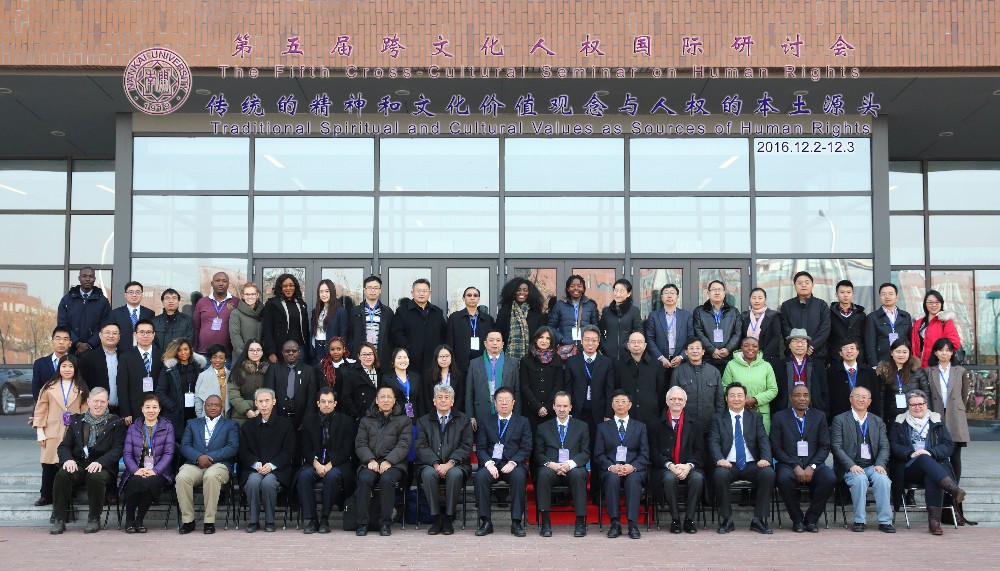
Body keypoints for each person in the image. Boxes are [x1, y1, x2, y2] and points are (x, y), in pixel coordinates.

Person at [888, 389, 968, 535]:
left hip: (934, 467)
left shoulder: (936, 421)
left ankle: (934, 524)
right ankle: (953, 489)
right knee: (923, 458)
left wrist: (932, 452)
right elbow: (893, 446)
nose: (917, 407)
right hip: (909, 468)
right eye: (913, 405)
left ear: (926, 404)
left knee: (932, 475)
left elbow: (948, 445)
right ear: (908, 406)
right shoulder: (899, 422)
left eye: (920, 404)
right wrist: (910, 453)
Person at [49, 387, 126, 535]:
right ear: (88, 402)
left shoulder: (116, 423)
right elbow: (64, 446)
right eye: (96, 401)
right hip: (78, 464)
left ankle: (94, 519)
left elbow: (118, 449)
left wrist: (101, 462)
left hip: (103, 466)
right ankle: (59, 519)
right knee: (63, 474)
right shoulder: (77, 421)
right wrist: (68, 460)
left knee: (95, 476)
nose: (99, 405)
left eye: (102, 401)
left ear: (107, 403)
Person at [709, 381, 775, 534]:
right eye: (732, 395)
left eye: (740, 395)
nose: (736, 399)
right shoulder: (718, 418)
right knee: (720, 474)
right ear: (726, 399)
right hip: (728, 464)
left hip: (752, 464)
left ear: (745, 398)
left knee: (768, 473)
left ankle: (759, 520)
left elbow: (763, 439)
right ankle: (727, 520)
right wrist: (719, 459)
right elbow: (713, 441)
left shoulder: (755, 417)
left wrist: (765, 458)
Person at [770, 385, 836, 533]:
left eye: (805, 395)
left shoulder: (819, 416)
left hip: (814, 464)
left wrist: (812, 466)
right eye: (798, 395)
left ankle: (812, 519)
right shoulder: (779, 417)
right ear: (791, 398)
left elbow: (825, 446)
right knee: (783, 478)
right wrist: (795, 466)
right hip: (788, 464)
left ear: (810, 398)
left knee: (829, 478)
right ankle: (797, 519)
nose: (802, 398)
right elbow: (775, 447)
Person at [830, 386, 895, 533]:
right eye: (857, 396)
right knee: (860, 479)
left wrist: (880, 464)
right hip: (850, 466)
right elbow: (836, 446)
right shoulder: (840, 420)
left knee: (883, 480)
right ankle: (859, 520)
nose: (861, 399)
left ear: (869, 401)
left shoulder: (877, 421)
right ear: (851, 399)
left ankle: (885, 521)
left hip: (872, 466)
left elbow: (885, 446)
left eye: (864, 397)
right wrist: (851, 465)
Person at [925, 337, 975, 525]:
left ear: (953, 352)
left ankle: (954, 497)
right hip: (936, 415)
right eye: (941, 350)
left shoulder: (960, 371)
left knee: (955, 457)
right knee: (938, 455)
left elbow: (964, 395)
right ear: (935, 352)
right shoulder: (928, 371)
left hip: (955, 416)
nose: (944, 353)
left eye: (948, 350)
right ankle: (944, 497)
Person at [415, 383, 473, 535]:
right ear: (434, 401)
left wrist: (449, 463)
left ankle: (448, 518)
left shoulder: (463, 420)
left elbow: (466, 446)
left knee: (454, 474)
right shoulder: (423, 421)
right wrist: (435, 463)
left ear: (452, 401)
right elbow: (421, 446)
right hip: (430, 464)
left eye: (447, 397)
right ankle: (436, 518)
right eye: (439, 397)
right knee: (428, 474)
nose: (443, 400)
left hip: (456, 464)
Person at [176, 394, 239, 534]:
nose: (213, 408)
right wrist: (198, 457)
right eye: (209, 405)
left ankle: (209, 521)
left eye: (216, 405)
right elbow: (184, 446)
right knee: (182, 477)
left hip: (219, 465)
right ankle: (188, 521)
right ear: (204, 407)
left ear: (222, 407)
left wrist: (209, 458)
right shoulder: (192, 423)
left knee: (211, 476)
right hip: (195, 464)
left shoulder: (230, 424)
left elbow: (232, 447)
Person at [33, 355, 89, 511]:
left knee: (68, 462)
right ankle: (46, 495)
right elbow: (40, 411)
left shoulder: (82, 388)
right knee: (48, 464)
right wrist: (40, 432)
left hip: (73, 431)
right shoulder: (48, 387)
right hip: (52, 429)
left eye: (71, 366)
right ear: (59, 368)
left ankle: (68, 494)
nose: (67, 369)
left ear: (75, 369)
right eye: (64, 366)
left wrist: (84, 434)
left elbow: (85, 413)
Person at [354, 386, 412, 536]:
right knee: (364, 479)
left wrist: (389, 461)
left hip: (395, 464)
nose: (386, 400)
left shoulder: (404, 420)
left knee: (387, 480)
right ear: (376, 400)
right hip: (370, 462)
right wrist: (370, 459)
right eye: (382, 397)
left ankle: (385, 523)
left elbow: (404, 445)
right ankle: (362, 523)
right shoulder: (366, 420)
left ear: (394, 400)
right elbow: (360, 444)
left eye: (389, 397)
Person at [473, 387, 531, 537]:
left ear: (513, 402)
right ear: (495, 403)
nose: (504, 403)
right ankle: (486, 522)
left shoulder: (523, 422)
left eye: (507, 400)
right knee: (480, 477)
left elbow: (526, 448)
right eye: (500, 400)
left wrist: (513, 462)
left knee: (519, 477)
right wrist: (488, 463)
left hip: (514, 464)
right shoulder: (486, 421)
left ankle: (516, 522)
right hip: (492, 464)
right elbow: (481, 448)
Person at [297, 387, 356, 534]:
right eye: (323, 401)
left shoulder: (346, 421)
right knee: (304, 476)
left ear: (335, 403)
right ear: (318, 403)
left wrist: (329, 465)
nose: (326, 405)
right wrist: (316, 464)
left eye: (330, 402)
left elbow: (347, 449)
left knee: (332, 477)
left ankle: (324, 518)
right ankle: (312, 520)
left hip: (337, 464)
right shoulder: (309, 421)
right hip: (314, 463)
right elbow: (305, 447)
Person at [238, 388, 296, 533]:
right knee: (253, 482)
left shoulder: (285, 424)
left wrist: (272, 465)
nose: (264, 405)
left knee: (268, 483)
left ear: (274, 402)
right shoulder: (248, 426)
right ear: (255, 403)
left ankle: (270, 521)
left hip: (277, 470)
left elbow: (289, 450)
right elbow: (244, 451)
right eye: (261, 401)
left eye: (267, 401)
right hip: (254, 469)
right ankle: (253, 521)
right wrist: (256, 464)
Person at [533, 391, 590, 537]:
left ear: (570, 407)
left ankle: (580, 522)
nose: (562, 409)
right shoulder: (543, 427)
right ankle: (545, 522)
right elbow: (538, 454)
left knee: (578, 475)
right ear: (553, 407)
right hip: (552, 468)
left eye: (565, 406)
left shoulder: (582, 426)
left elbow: (585, 453)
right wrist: (551, 464)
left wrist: (570, 464)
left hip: (573, 468)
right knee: (543, 474)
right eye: (559, 406)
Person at [649, 386, 704, 534]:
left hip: (688, 466)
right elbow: (653, 452)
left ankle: (689, 520)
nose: (676, 402)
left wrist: (688, 466)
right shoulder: (655, 424)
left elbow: (700, 451)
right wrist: (670, 465)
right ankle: (675, 520)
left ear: (685, 402)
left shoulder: (695, 424)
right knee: (669, 478)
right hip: (665, 467)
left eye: (680, 399)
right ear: (667, 401)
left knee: (697, 478)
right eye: (673, 399)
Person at [595, 389, 649, 539]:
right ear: (612, 405)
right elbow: (599, 454)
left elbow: (644, 454)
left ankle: (632, 524)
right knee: (612, 479)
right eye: (617, 402)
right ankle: (615, 523)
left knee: (633, 480)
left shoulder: (640, 427)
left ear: (630, 405)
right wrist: (611, 467)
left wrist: (632, 467)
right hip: (611, 469)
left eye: (623, 402)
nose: (620, 405)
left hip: (633, 469)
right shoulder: (602, 427)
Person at [118, 394, 174, 533]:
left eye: (154, 407)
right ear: (142, 409)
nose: (151, 410)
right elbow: (127, 453)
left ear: (159, 409)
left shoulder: (167, 427)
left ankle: (139, 520)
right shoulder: (133, 428)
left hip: (159, 471)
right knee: (134, 481)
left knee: (151, 482)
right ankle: (130, 519)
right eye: (147, 407)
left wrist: (155, 471)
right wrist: (135, 470)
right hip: (136, 469)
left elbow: (168, 453)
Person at [391, 278, 447, 378]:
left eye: (424, 291)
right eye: (418, 291)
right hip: (410, 361)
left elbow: (443, 334)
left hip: (433, 361)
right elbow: (397, 334)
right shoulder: (402, 312)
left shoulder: (437, 312)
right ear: (412, 293)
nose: (421, 293)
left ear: (429, 293)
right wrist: (408, 350)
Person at [465, 330, 521, 429]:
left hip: (506, 412)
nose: (494, 343)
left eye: (498, 340)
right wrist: (470, 416)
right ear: (485, 344)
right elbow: (469, 392)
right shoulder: (474, 363)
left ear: (502, 344)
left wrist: (517, 416)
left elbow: (517, 391)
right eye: (491, 340)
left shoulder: (512, 363)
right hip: (481, 412)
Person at [721, 337, 779, 432]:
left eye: (754, 346)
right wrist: (742, 401)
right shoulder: (731, 365)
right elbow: (725, 387)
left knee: (762, 440)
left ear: (758, 348)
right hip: (737, 412)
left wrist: (755, 400)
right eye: (746, 346)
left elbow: (773, 390)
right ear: (741, 347)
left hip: (761, 412)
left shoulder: (766, 366)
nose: (750, 349)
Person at [669, 338, 724, 435]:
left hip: (710, 425)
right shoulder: (678, 372)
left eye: (698, 348)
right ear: (686, 352)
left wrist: (719, 421)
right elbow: (672, 400)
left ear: (703, 351)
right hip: (685, 425)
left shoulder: (714, 372)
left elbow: (720, 401)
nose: (695, 351)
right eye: (691, 348)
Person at [156, 338, 207, 440]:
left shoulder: (198, 367)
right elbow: (160, 392)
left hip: (194, 412)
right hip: (175, 413)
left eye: (186, 349)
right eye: (179, 350)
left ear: (190, 350)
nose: (183, 353)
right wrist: (173, 407)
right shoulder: (169, 369)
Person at [779, 272, 832, 370]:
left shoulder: (821, 305)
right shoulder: (787, 306)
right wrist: (798, 345)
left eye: (807, 282)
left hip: (817, 353)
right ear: (794, 286)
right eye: (800, 283)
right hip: (793, 354)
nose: (803, 285)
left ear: (812, 285)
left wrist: (810, 345)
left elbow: (825, 328)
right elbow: (784, 327)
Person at [615, 332, 667, 429]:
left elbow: (660, 391)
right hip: (626, 415)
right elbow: (616, 389)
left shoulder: (656, 365)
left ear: (645, 345)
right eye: (633, 342)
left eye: (639, 342)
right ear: (628, 345)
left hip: (650, 416)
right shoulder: (619, 365)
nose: (636, 345)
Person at [263, 340, 319, 431]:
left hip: (301, 421)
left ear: (299, 353)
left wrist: (306, 421)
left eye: (294, 351)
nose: (291, 353)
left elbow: (312, 398)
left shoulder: (309, 371)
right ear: (282, 353)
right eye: (287, 351)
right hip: (277, 420)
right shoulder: (273, 369)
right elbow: (268, 394)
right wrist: (273, 418)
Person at [519, 326, 565, 436]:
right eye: (541, 337)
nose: (544, 341)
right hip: (531, 409)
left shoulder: (557, 359)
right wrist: (538, 407)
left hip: (551, 410)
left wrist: (548, 407)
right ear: (536, 339)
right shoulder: (526, 360)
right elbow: (524, 386)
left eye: (548, 338)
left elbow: (558, 385)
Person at [774, 328, 829, 417]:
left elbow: (824, 391)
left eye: (803, 341)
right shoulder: (780, 365)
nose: (799, 345)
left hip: (813, 411)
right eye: (795, 341)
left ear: (807, 345)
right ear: (789, 345)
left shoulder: (818, 365)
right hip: (786, 411)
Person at [117, 319, 163, 425]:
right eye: (141, 332)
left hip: (157, 409)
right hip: (134, 408)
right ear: (135, 335)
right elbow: (122, 386)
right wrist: (126, 412)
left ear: (153, 335)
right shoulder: (126, 357)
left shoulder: (161, 356)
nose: (145, 335)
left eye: (149, 332)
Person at [645, 284, 695, 382]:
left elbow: (691, 338)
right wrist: (661, 358)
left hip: (681, 362)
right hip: (660, 362)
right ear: (661, 297)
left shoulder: (686, 315)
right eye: (666, 293)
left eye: (672, 293)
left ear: (677, 297)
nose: (669, 296)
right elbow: (650, 339)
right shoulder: (653, 316)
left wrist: (681, 356)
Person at [57, 266, 111, 355]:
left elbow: (105, 327)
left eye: (91, 276)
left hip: (95, 350)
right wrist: (77, 343)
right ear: (79, 278)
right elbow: (62, 325)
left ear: (94, 279)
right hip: (71, 350)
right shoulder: (67, 300)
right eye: (84, 276)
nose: (87, 279)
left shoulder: (103, 301)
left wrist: (90, 344)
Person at [693, 280, 742, 375]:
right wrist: (712, 350)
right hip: (707, 358)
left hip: (729, 359)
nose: (717, 292)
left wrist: (728, 349)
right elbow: (698, 332)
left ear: (724, 293)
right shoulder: (699, 311)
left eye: (720, 289)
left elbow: (738, 333)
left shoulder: (734, 312)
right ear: (708, 293)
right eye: (713, 289)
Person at [348, 276, 394, 374]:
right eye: (369, 287)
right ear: (364, 290)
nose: (373, 290)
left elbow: (391, 336)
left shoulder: (387, 312)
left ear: (380, 290)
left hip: (381, 357)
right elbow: (350, 334)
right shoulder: (355, 311)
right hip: (361, 357)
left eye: (376, 288)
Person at [828, 339, 882, 422]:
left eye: (852, 348)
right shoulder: (831, 372)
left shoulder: (869, 372)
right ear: (840, 353)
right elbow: (828, 397)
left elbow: (876, 397)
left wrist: (876, 419)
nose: (849, 351)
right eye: (845, 348)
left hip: (865, 417)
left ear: (857, 352)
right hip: (840, 417)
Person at [878, 338, 930, 424]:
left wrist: (928, 417)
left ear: (909, 353)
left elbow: (926, 395)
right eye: (898, 352)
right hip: (892, 418)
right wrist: (881, 422)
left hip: (915, 417)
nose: (901, 355)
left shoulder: (917, 371)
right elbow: (881, 400)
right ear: (892, 353)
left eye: (904, 352)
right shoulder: (885, 372)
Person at [261, 273, 310, 364]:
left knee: (300, 373)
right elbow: (267, 330)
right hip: (280, 351)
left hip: (300, 351)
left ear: (295, 287)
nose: (288, 288)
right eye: (285, 286)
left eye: (291, 285)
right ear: (280, 288)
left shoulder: (301, 304)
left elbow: (306, 329)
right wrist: (271, 352)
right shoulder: (272, 304)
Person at [446, 286, 495, 375]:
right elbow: (450, 341)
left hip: (483, 363)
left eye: (475, 295)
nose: (472, 298)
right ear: (463, 298)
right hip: (460, 364)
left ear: (479, 299)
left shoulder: (488, 319)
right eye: (469, 295)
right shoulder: (455, 318)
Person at [495, 277, 546, 362]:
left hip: (531, 359)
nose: (522, 292)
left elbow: (540, 335)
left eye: (525, 290)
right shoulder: (504, 311)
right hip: (507, 359)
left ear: (530, 292)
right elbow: (498, 334)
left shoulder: (536, 313)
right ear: (513, 292)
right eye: (518, 290)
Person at [865, 283, 913, 368]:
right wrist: (874, 365)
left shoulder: (905, 316)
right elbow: (870, 344)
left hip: (902, 361)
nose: (887, 297)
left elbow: (909, 340)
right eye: (884, 294)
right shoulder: (872, 317)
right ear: (880, 297)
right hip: (882, 362)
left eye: (891, 294)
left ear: (897, 297)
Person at [77, 321, 122, 413]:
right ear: (100, 335)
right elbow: (83, 385)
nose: (111, 336)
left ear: (119, 336)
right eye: (107, 333)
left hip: (121, 411)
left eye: (114, 333)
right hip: (96, 411)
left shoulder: (125, 357)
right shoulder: (88, 358)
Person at [547, 274, 599, 349]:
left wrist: (589, 341)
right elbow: (550, 327)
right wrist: (561, 339)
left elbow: (595, 328)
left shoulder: (590, 305)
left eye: (579, 286)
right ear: (568, 289)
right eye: (572, 286)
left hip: (585, 347)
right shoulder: (560, 305)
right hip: (566, 348)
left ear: (583, 289)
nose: (576, 288)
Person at [912, 290, 962, 368]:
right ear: (925, 304)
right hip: (920, 367)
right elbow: (914, 345)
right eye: (930, 302)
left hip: (938, 366)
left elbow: (954, 343)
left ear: (941, 304)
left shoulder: (945, 321)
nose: (934, 305)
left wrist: (940, 357)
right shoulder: (918, 323)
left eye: (937, 302)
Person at [192, 272, 238, 357]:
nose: (221, 283)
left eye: (224, 281)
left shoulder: (236, 302)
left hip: (227, 355)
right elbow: (196, 328)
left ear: (228, 284)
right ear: (212, 283)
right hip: (203, 354)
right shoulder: (202, 302)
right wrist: (194, 351)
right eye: (217, 280)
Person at [227, 340, 268, 426]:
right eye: (251, 350)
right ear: (247, 352)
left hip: (265, 412)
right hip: (241, 415)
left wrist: (260, 409)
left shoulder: (270, 370)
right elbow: (233, 393)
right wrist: (246, 410)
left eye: (258, 350)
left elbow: (274, 391)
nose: (255, 353)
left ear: (262, 352)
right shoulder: (238, 370)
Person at [600, 278, 642, 361]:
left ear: (628, 293)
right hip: (609, 355)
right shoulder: (606, 311)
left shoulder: (634, 311)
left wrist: (629, 346)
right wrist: (604, 347)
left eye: (621, 291)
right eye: (616, 290)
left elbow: (639, 331)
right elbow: (600, 331)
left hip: (628, 354)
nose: (618, 294)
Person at [828, 280, 867, 367]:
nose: (845, 295)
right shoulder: (829, 313)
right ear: (836, 294)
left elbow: (864, 338)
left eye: (848, 292)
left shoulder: (861, 314)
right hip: (835, 358)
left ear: (852, 294)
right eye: (842, 292)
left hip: (857, 358)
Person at [740, 287, 782, 366]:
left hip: (768, 358)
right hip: (747, 358)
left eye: (760, 298)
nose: (756, 301)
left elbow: (776, 337)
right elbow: (740, 336)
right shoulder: (744, 316)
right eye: (754, 298)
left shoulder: (773, 316)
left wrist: (762, 356)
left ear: (765, 299)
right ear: (750, 299)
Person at [382, 347, 427, 421]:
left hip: (414, 418)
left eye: (405, 357)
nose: (403, 360)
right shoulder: (387, 379)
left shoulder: (416, 377)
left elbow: (420, 401)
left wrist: (421, 420)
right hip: (394, 419)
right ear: (393, 361)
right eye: (399, 358)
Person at [310, 279, 348, 366]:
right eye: (321, 292)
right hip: (317, 348)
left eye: (327, 291)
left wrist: (340, 349)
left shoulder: (340, 311)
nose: (324, 294)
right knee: (318, 371)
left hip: (332, 348)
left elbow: (343, 333)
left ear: (332, 292)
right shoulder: (316, 311)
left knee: (330, 372)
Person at [31, 326, 73, 403]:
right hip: (46, 406)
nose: (61, 342)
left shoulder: (77, 363)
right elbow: (36, 390)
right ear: (52, 341)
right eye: (58, 338)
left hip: (70, 407)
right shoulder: (40, 364)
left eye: (65, 339)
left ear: (70, 343)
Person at [110, 281, 155, 352]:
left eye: (137, 292)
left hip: (143, 352)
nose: (134, 295)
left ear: (142, 295)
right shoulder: (115, 313)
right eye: (131, 292)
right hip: (122, 353)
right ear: (125, 295)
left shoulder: (149, 313)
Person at [342, 342, 381, 422]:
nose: (368, 357)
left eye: (370, 354)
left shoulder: (380, 372)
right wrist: (356, 414)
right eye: (364, 354)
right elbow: (346, 397)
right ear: (359, 356)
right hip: (361, 417)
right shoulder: (352, 373)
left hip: (378, 415)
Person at [152, 288, 195, 355]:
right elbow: (150, 343)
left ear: (178, 301)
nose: (171, 301)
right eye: (167, 298)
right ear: (162, 301)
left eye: (174, 298)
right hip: (158, 359)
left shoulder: (187, 321)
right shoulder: (154, 322)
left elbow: (189, 343)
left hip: (179, 359)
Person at [425, 344, 465, 414]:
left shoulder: (458, 375)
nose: (444, 359)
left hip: (453, 414)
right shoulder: (429, 375)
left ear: (451, 357)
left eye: (447, 356)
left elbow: (460, 398)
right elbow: (427, 398)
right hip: (433, 414)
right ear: (436, 358)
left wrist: (452, 413)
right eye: (441, 356)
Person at [316, 337, 354, 409]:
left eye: (339, 349)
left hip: (345, 407)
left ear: (344, 349)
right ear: (329, 350)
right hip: (327, 405)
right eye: (332, 349)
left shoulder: (350, 366)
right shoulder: (322, 367)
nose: (335, 352)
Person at [194, 344, 230, 418]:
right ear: (210, 359)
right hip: (207, 418)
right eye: (214, 357)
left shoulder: (231, 375)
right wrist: (200, 417)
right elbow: (198, 399)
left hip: (227, 417)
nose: (217, 360)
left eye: (221, 358)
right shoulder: (202, 376)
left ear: (225, 359)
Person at [229, 282, 263, 359]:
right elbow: (235, 336)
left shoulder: (264, 312)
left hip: (261, 358)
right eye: (247, 294)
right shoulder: (236, 313)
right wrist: (246, 356)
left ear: (257, 295)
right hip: (243, 358)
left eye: (253, 294)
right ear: (243, 295)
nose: (250, 297)